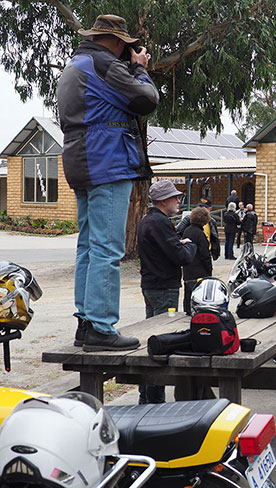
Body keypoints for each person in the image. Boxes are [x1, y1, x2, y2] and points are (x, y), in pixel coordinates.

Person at [57, 14, 159, 351]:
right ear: (117, 42)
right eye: (125, 47)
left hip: (79, 161)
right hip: (107, 162)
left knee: (88, 245)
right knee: (107, 248)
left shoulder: (75, 65)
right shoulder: (106, 65)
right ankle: (102, 327)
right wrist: (140, 67)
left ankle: (86, 323)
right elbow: (146, 100)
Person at [137, 180, 197, 403]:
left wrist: (178, 243)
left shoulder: (149, 220)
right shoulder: (160, 222)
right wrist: (189, 244)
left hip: (152, 285)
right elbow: (182, 256)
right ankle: (153, 403)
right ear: (163, 201)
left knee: (150, 339)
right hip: (164, 288)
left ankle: (146, 398)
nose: (178, 201)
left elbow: (166, 248)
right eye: (175, 198)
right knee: (160, 344)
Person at [182, 207, 213, 315]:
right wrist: (209, 268)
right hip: (199, 269)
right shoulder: (200, 234)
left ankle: (187, 309)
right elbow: (205, 254)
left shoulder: (187, 230)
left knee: (188, 292)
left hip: (188, 268)